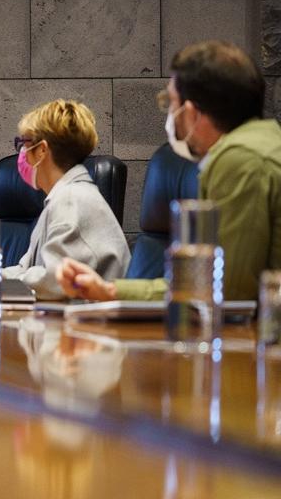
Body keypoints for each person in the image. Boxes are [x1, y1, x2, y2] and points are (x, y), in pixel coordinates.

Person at [57, 40, 281, 302]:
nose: (170, 113)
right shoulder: (265, 142)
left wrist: (112, 292)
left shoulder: (239, 159)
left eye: (170, 102)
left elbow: (223, 291)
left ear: (190, 111)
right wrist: (110, 290)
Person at [1, 100, 129, 299]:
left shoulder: (71, 200)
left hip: (91, 325)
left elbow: (53, 281)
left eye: (24, 145)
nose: (22, 155)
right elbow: (26, 268)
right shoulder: (63, 196)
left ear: (42, 150)